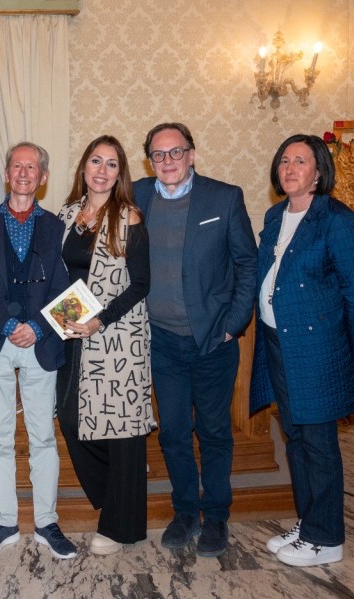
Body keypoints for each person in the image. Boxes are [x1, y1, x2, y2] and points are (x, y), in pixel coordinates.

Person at [251, 134, 354, 567]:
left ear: (319, 172)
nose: (289, 168)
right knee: (296, 436)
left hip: (318, 348)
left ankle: (327, 539)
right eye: (284, 160)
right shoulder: (276, 216)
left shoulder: (338, 221)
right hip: (278, 343)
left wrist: (344, 346)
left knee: (319, 442)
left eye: (300, 161)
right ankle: (308, 524)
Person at [133, 122, 257, 558]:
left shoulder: (224, 198)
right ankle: (185, 512)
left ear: (191, 154)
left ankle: (216, 516)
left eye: (176, 152)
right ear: (149, 160)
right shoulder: (136, 196)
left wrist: (233, 324)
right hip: (161, 342)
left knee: (214, 430)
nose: (167, 161)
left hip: (212, 341)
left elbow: (247, 264)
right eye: (158, 154)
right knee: (172, 432)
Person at [0, 141, 77, 560]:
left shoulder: (60, 227)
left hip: (42, 343)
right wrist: (9, 324)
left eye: (32, 167)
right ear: (7, 173)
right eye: (17, 166)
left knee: (43, 437)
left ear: (42, 177)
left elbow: (74, 292)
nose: (24, 173)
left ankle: (47, 522)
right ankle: (5, 522)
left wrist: (39, 328)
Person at [55, 135, 155, 555]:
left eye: (111, 164)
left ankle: (119, 526)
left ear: (120, 174)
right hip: (73, 334)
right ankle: (120, 487)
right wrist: (66, 320)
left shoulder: (129, 217)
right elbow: (60, 274)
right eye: (96, 161)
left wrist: (99, 320)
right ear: (84, 167)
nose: (102, 170)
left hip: (118, 337)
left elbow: (141, 283)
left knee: (122, 429)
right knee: (72, 420)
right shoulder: (67, 214)